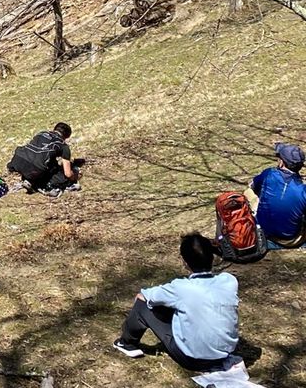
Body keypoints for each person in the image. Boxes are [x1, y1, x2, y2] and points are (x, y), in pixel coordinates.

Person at [113, 233, 239, 370]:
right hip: (225, 355)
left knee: (143, 305)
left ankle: (126, 343)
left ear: (185, 262)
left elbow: (144, 296)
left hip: (192, 359)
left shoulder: (181, 288)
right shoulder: (229, 281)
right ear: (212, 257)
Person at [249, 141, 306, 248]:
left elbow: (252, 186)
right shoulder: (303, 191)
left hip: (263, 231)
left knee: (249, 193)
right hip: (290, 239)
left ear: (281, 163)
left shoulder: (268, 174)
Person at [7, 121, 78, 195]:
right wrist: (75, 176)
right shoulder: (64, 146)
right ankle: (39, 184)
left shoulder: (41, 133)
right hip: (35, 169)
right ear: (66, 136)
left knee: (46, 161)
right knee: (59, 176)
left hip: (17, 161)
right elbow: (68, 174)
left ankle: (28, 179)